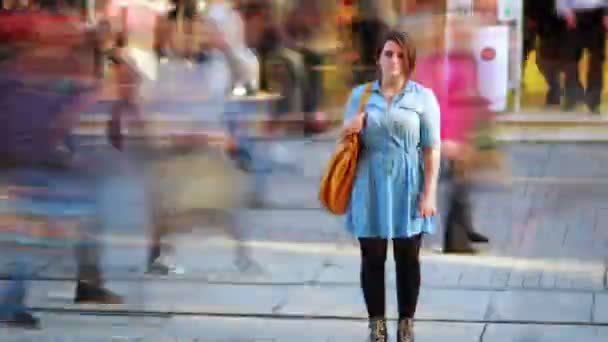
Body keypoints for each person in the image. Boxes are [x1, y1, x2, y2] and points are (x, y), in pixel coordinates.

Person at [340, 30, 441, 342]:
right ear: (378, 59)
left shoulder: (423, 97)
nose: (394, 60)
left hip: (408, 184)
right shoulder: (360, 95)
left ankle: (406, 325)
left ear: (408, 60)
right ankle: (377, 326)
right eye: (388, 54)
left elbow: (431, 148)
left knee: (407, 258)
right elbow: (344, 140)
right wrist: (350, 128)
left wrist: (429, 192)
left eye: (400, 55)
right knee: (372, 257)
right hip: (368, 183)